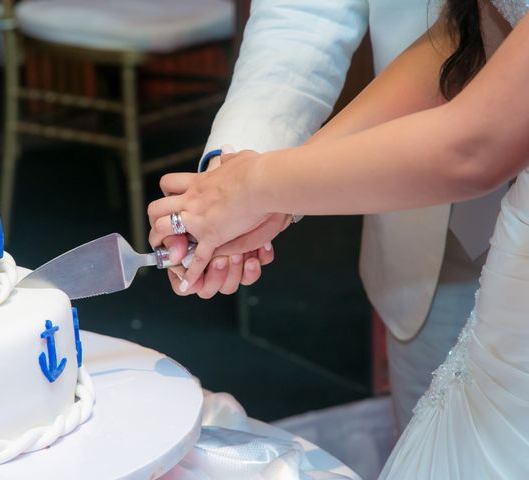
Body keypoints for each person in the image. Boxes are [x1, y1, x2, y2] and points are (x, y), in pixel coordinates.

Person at [151, 1, 529, 476]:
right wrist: (265, 197)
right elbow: (466, 41)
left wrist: (256, 186)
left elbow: (476, 148)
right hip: (441, 256)